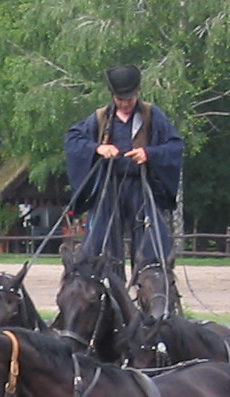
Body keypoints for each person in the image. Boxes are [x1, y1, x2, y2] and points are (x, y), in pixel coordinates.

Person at [64, 64, 183, 270]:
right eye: (120, 99)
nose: (125, 103)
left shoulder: (152, 115)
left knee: (151, 246)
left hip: (142, 187)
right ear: (112, 96)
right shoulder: (101, 117)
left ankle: (149, 291)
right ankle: (110, 292)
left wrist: (149, 153)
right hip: (110, 187)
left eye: (129, 98)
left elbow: (175, 146)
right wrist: (98, 148)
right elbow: (73, 140)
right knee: (101, 246)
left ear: (137, 93)